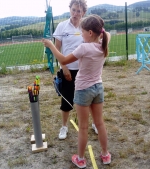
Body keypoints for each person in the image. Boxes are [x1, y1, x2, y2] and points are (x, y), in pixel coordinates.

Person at [42, 14, 111, 168]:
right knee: (100, 124)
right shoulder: (103, 45)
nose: (81, 35)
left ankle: (80, 159)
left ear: (91, 33)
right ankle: (106, 155)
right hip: (98, 88)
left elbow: (63, 60)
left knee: (84, 127)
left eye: (83, 32)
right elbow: (107, 34)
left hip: (83, 90)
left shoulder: (84, 47)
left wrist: (51, 45)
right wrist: (101, 32)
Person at [52, 0, 98, 140]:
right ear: (69, 9)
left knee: (89, 98)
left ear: (83, 13)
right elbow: (57, 49)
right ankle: (64, 126)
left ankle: (95, 123)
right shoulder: (62, 26)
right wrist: (64, 67)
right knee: (67, 99)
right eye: (73, 10)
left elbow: (93, 45)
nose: (75, 13)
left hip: (84, 71)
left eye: (79, 11)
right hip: (68, 70)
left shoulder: (86, 27)